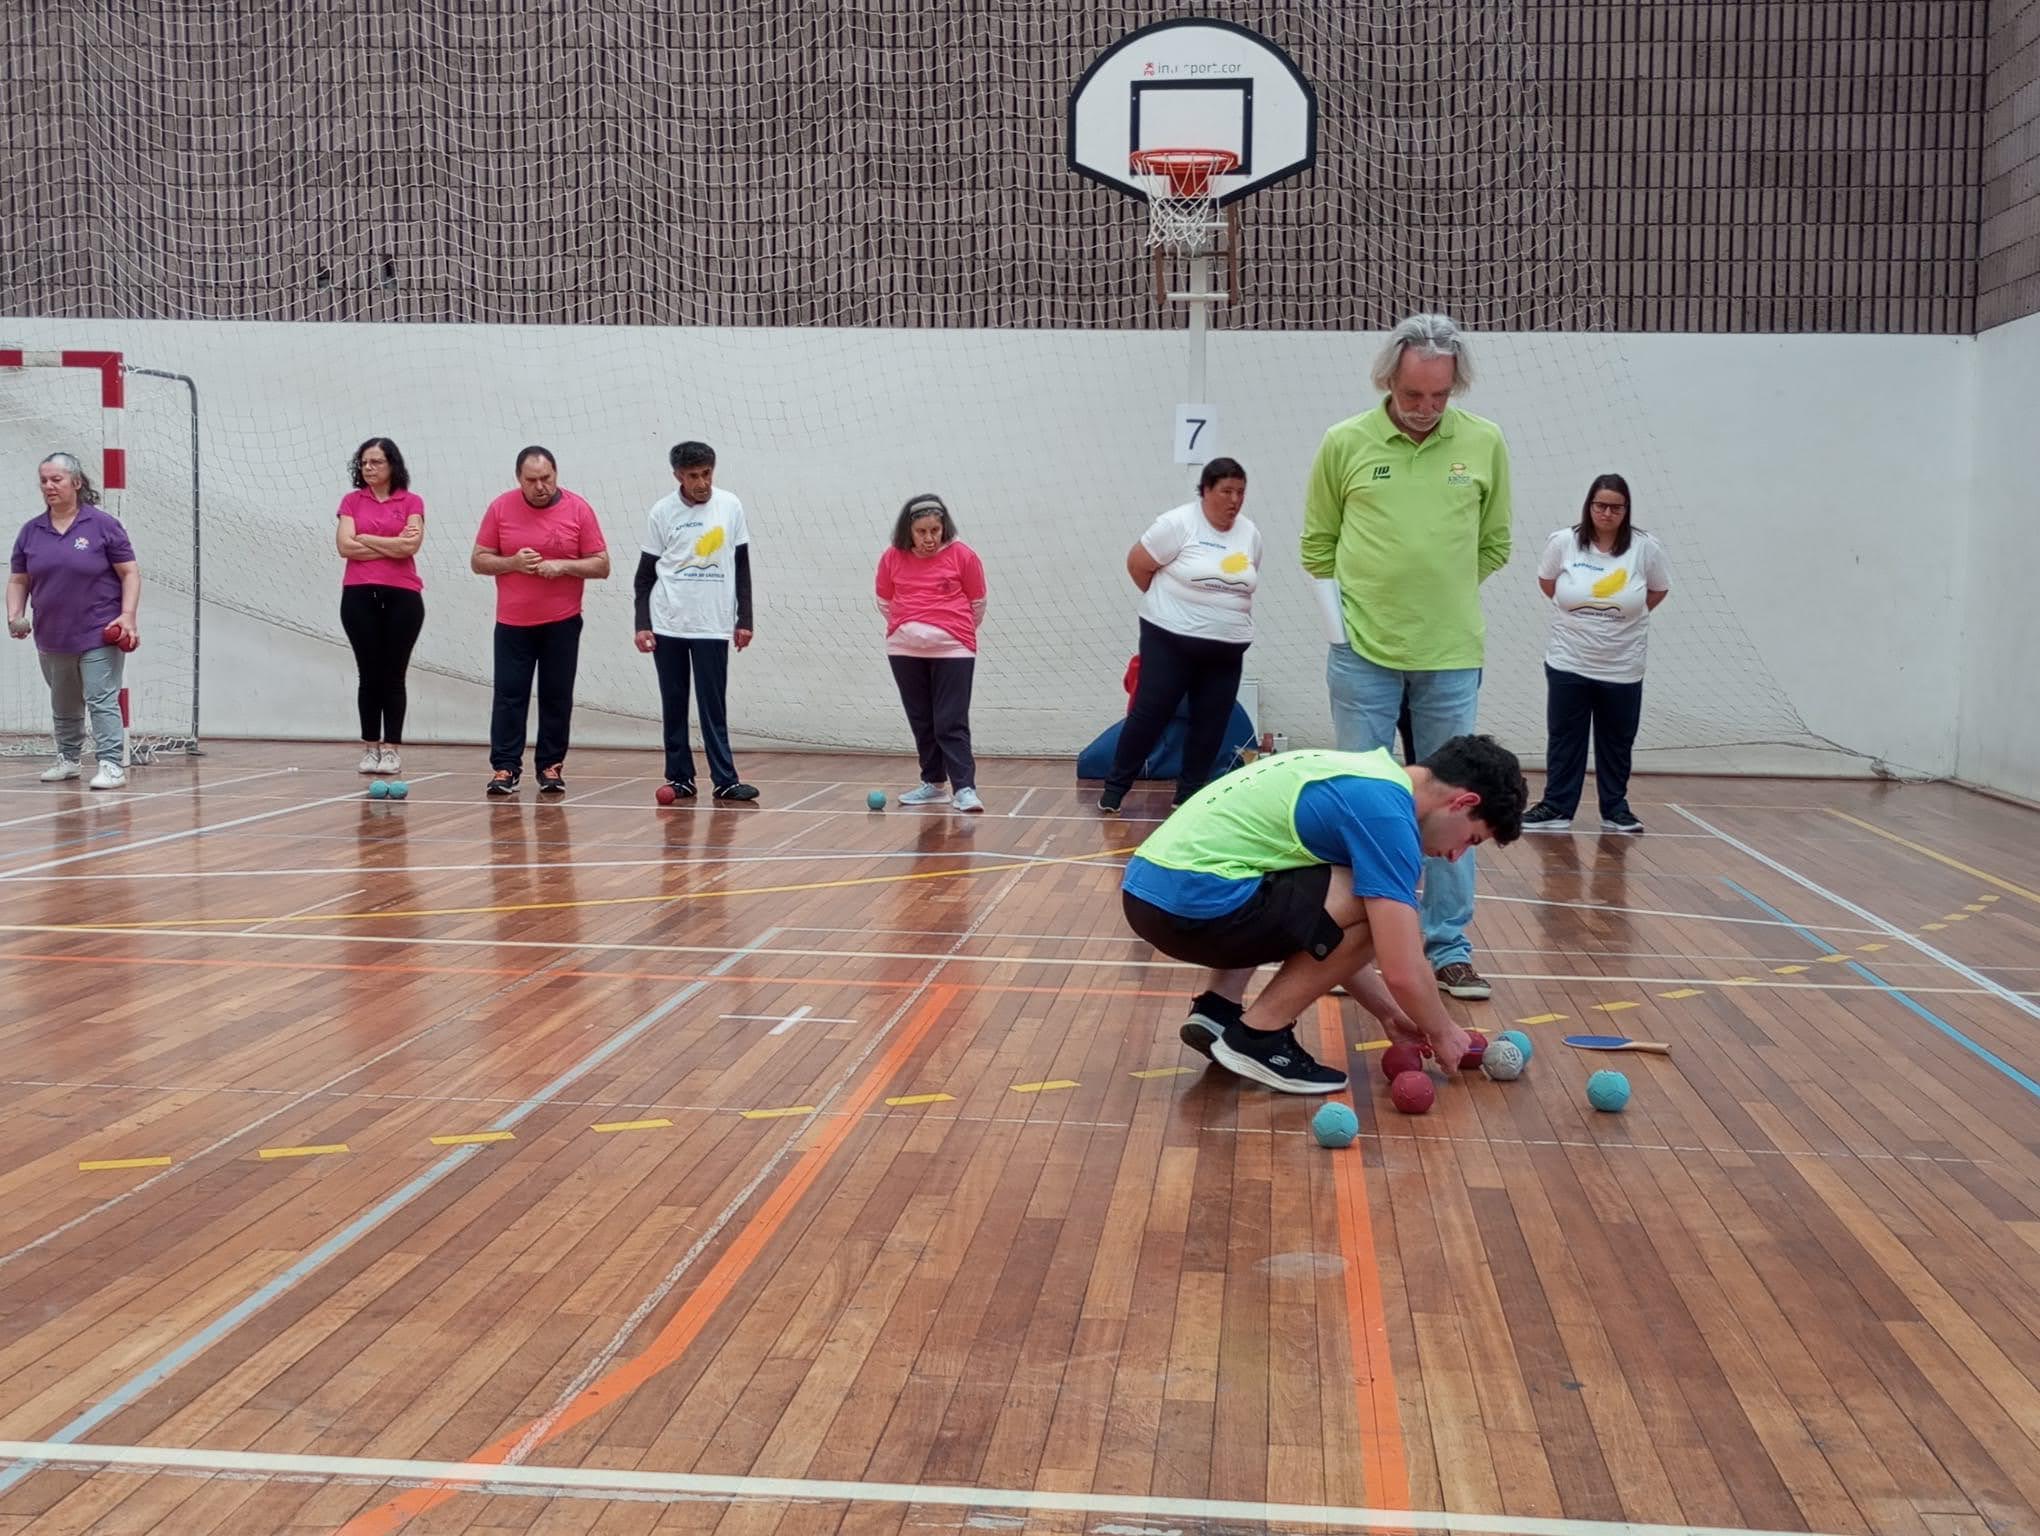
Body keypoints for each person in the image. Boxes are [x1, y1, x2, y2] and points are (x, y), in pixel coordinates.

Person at [1121, 735, 1527, 1093]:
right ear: (1463, 803)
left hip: (1149, 891)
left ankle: (1218, 1010)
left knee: (1336, 891)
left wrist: (1390, 1015)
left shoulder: (1365, 771)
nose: (1456, 856)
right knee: (1378, 908)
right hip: (1192, 902)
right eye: (1471, 840)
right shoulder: (1387, 815)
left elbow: (1331, 937)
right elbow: (1401, 968)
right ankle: (1259, 1037)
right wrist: (1443, 1031)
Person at [1302, 313, 1512, 1002]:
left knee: (1456, 805)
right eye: (1413, 394)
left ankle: (1448, 946)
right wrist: (1344, 631)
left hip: (1450, 655)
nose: (1426, 408)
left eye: (1440, 396)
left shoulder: (1484, 443)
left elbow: (1495, 543)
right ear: (1388, 380)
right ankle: (1343, 947)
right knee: (1357, 803)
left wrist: (1437, 597)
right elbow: (1318, 544)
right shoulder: (1344, 443)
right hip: (1361, 655)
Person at [1099, 457, 1261, 815]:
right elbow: (1138, 564)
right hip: (1169, 640)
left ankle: (1188, 795)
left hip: (1226, 650)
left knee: (1212, 721)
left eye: (1240, 492)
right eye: (1226, 491)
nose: (1235, 500)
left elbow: (1247, 580)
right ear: (1205, 491)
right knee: (1150, 713)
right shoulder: (1177, 524)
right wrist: (1171, 608)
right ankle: (1114, 788)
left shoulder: (1250, 534)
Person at [1524, 474, 1672, 834]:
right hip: (1568, 660)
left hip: (1622, 665)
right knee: (1565, 737)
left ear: (1626, 510)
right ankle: (1556, 807)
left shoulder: (1645, 547)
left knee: (1617, 741)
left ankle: (1615, 809)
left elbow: (1657, 589)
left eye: (1615, 508)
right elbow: (1548, 583)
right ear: (1589, 506)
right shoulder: (1563, 542)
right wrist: (1582, 613)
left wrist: (1623, 616)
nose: (1607, 513)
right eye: (1600, 505)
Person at [473, 446, 609, 797]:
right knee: (509, 695)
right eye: (531, 480)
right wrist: (512, 563)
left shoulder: (578, 509)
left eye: (546, 478)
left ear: (556, 474)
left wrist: (563, 566)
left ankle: (551, 766)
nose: (540, 486)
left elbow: (601, 565)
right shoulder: (500, 508)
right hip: (512, 623)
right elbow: (479, 560)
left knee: (556, 694)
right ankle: (505, 767)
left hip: (562, 622)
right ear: (518, 479)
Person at [632, 441, 758, 802]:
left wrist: (745, 618)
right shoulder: (662, 512)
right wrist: (642, 624)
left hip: (712, 624)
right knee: (673, 703)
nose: (702, 483)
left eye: (706, 473)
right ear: (678, 476)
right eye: (693, 476)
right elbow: (644, 577)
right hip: (667, 622)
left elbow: (742, 566)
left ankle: (725, 780)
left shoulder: (730, 506)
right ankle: (680, 778)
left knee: (712, 704)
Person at [6, 453, 141, 789]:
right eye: (44, 480)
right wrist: (14, 614)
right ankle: (68, 760)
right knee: (64, 702)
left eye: (57, 479)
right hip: (52, 634)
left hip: (99, 631)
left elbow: (129, 573)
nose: (49, 486)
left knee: (100, 698)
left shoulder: (103, 525)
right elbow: (19, 579)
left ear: (76, 483)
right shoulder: (31, 531)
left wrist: (127, 615)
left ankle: (111, 764)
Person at [874, 493, 987, 812]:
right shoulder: (892, 557)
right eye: (921, 532)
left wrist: (948, 630)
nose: (929, 538)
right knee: (922, 720)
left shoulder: (963, 555)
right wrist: (911, 628)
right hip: (904, 650)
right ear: (908, 531)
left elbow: (977, 602)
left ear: (944, 527)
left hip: (954, 649)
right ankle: (933, 784)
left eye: (935, 530)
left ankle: (964, 788)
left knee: (950, 720)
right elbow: (884, 600)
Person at [335, 436, 425, 777]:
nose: (368, 468)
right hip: (358, 595)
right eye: (364, 463)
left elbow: (409, 548)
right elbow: (345, 547)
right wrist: (391, 543)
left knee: (394, 674)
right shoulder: (351, 501)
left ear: (392, 465)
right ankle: (371, 747)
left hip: (403, 596)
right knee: (369, 673)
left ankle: (391, 749)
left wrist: (367, 539)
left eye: (376, 462)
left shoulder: (412, 501)